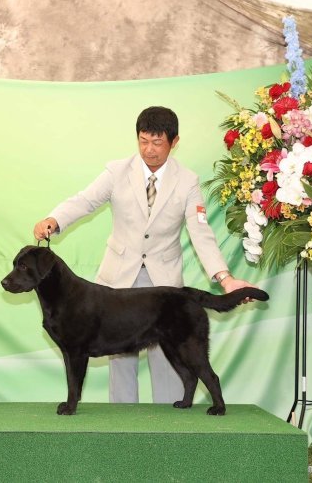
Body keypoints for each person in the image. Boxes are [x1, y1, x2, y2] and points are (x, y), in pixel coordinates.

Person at [33, 106, 257, 404]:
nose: (149, 150)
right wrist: (54, 220)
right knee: (120, 362)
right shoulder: (116, 171)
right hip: (117, 280)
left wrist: (224, 278)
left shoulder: (187, 181)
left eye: (158, 143)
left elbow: (201, 234)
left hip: (162, 286)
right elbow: (85, 201)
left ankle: (170, 429)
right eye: (143, 141)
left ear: (174, 142)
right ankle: (123, 429)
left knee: (168, 360)